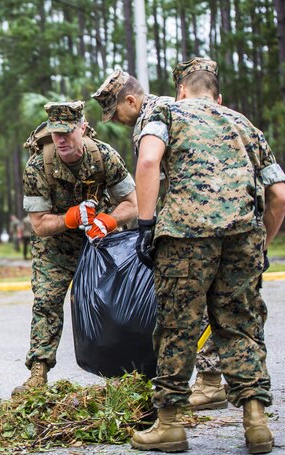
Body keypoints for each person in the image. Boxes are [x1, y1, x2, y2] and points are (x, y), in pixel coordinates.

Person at [133, 57, 285, 454]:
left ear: (182, 89)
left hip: (186, 237)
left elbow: (149, 160)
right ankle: (256, 424)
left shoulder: (165, 110)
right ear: (218, 96)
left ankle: (168, 424)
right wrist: (261, 244)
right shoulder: (244, 124)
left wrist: (146, 225)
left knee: (178, 326)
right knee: (241, 326)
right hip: (243, 237)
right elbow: (279, 195)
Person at [93, 70, 225, 411]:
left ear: (131, 101)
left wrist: (148, 227)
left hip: (192, 222)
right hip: (230, 214)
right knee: (221, 300)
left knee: (184, 304)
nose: (115, 121)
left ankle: (178, 394)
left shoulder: (151, 119)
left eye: (115, 112)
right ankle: (211, 381)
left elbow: (158, 175)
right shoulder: (181, 106)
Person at [14, 100, 137, 395]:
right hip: (55, 249)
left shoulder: (104, 157)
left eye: (67, 132)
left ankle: (122, 373)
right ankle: (38, 374)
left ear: (82, 129)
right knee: (46, 303)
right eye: (56, 133)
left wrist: (108, 221)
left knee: (113, 306)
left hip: (98, 244)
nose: (61, 140)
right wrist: (70, 218)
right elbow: (40, 225)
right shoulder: (37, 166)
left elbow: (132, 205)